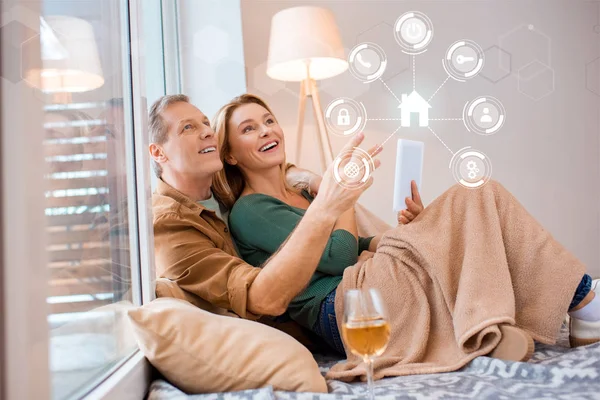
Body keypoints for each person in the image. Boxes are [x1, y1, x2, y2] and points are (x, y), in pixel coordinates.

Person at [211, 93, 600, 367]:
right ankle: (586, 302)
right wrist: (340, 196)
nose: (265, 130)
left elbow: (359, 243)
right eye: (248, 129)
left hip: (363, 281)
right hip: (342, 307)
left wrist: (419, 231)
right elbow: (339, 257)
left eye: (268, 121)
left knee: (474, 206)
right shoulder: (250, 209)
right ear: (229, 154)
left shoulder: (302, 195)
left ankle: (485, 332)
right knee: (478, 194)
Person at [148, 94, 380, 323]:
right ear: (158, 152)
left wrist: (311, 179)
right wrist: (335, 202)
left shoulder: (222, 191)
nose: (208, 132)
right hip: (323, 310)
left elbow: (275, 167)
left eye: (206, 123)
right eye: (187, 127)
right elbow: (261, 298)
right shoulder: (171, 225)